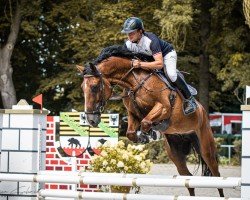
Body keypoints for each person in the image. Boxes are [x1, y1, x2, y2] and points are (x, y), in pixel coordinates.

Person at [121, 17, 197, 115]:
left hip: (166, 55)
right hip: (150, 58)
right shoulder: (128, 44)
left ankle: (190, 99)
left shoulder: (151, 40)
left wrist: (140, 64)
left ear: (140, 31)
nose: (129, 36)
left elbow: (159, 64)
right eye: (127, 33)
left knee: (171, 74)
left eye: (132, 33)